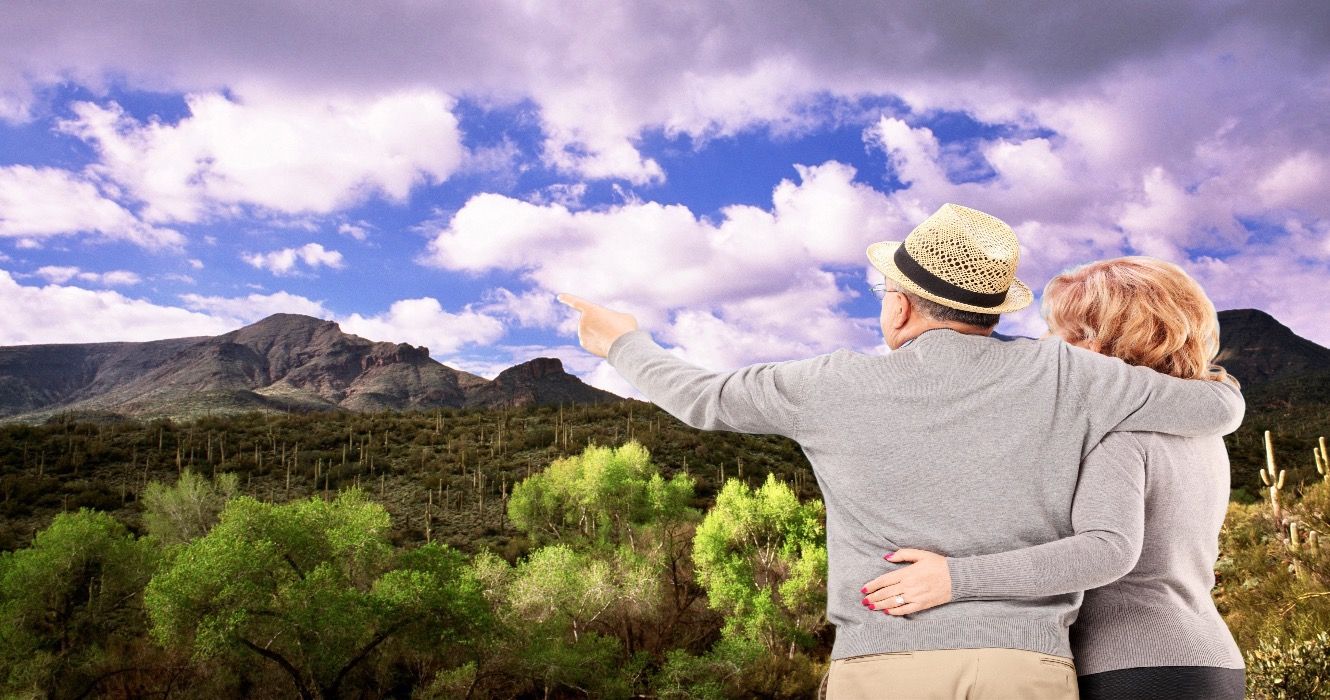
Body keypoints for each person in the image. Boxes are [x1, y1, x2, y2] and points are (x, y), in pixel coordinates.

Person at [556, 202, 1245, 699]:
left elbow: (699, 396)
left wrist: (623, 341)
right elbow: (1218, 407)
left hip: (882, 662)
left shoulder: (826, 384)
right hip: (1027, 669)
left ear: (904, 306)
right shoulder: (1070, 377)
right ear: (993, 307)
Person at [858, 256, 1246, 699]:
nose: (1050, 345)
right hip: (1209, 660)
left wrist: (954, 579)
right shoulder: (1198, 431)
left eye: (1066, 333)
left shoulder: (1115, 430)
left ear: (1104, 342)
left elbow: (1108, 548)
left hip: (1129, 667)